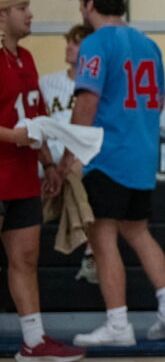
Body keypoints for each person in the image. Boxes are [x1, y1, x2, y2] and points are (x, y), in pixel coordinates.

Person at [59, 0, 165, 348]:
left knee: (102, 236)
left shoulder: (95, 43)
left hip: (106, 155)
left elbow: (86, 103)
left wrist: (69, 155)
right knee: (138, 231)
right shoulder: (148, 44)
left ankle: (118, 323)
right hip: (142, 154)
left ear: (89, 4)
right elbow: (159, 99)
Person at [0, 0, 84, 362]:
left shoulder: (27, 59)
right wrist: (13, 136)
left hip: (22, 177)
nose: (31, 14)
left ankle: (33, 341)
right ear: (3, 14)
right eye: (23, 8)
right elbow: (20, 128)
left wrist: (48, 163)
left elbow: (36, 120)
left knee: (27, 257)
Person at [38, 24, 99, 284]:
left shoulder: (95, 86)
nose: (68, 47)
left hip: (81, 157)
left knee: (78, 170)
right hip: (48, 156)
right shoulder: (47, 82)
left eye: (75, 43)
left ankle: (88, 248)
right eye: (68, 42)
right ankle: (89, 248)